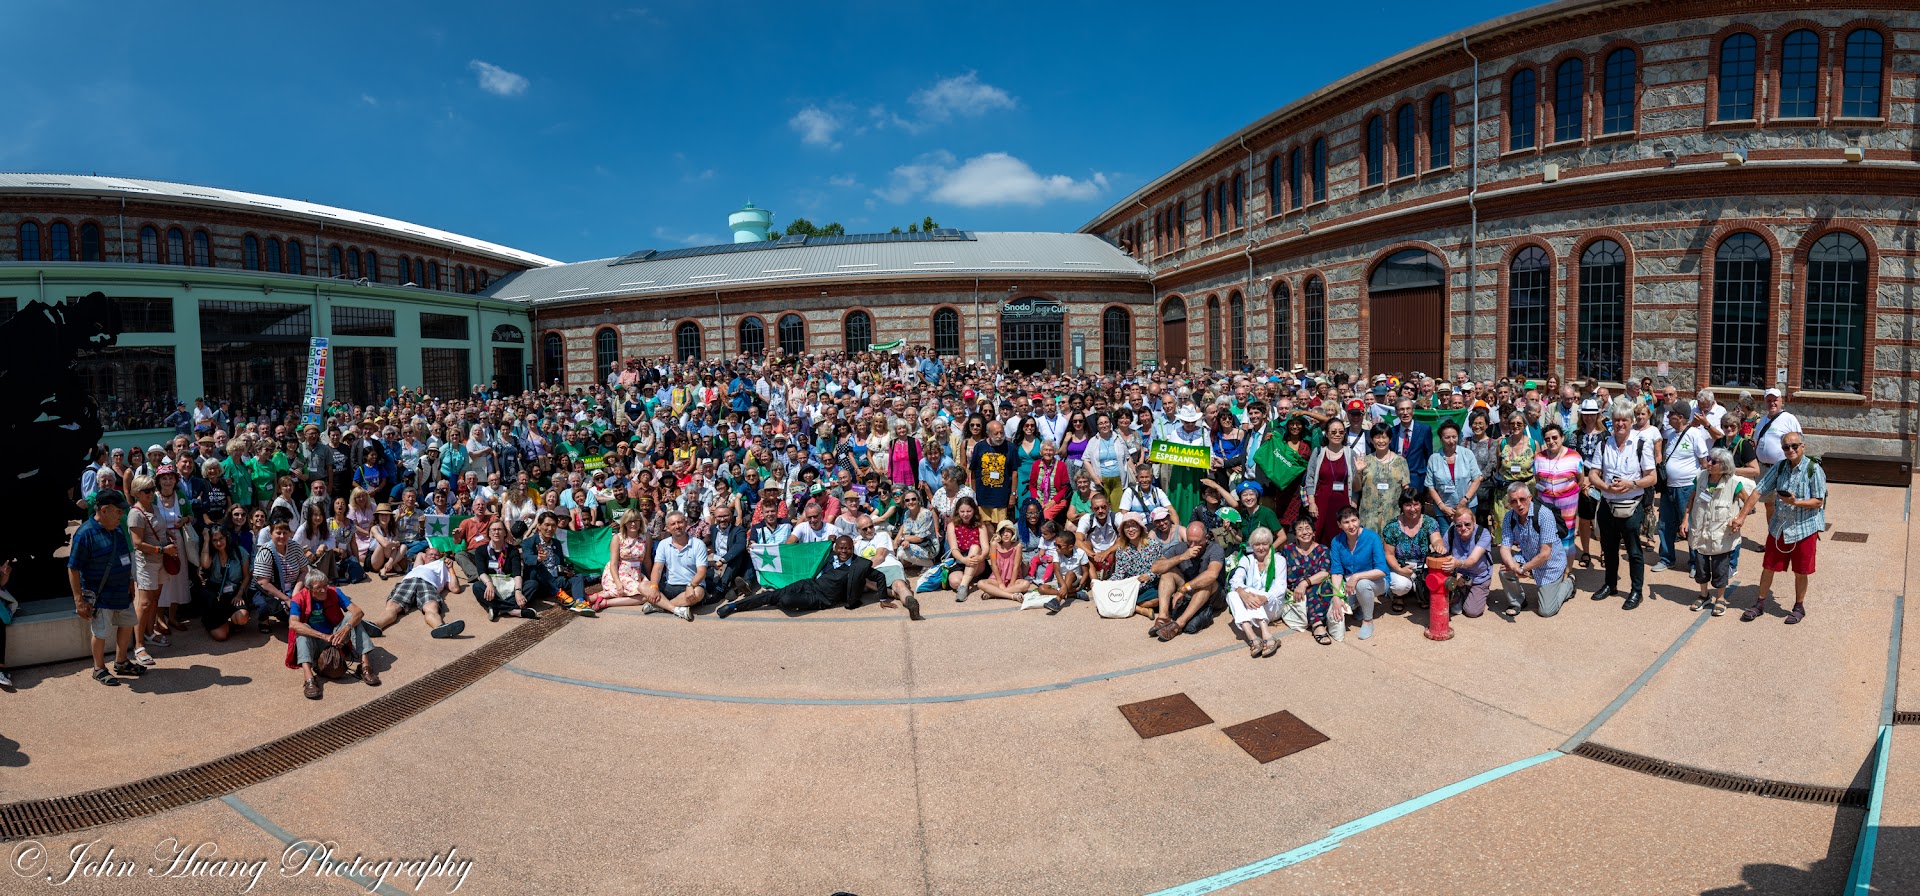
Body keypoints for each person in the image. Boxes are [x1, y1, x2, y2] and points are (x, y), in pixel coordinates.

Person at [1746, 434, 1825, 625]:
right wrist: (1742, 516)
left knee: (1801, 570)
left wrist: (1795, 502)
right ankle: (1760, 603)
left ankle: (1799, 606)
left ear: (1803, 446)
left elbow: (1818, 501)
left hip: (1804, 528)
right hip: (1779, 527)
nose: (1790, 450)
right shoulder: (1780, 467)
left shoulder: (1813, 470)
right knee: (1768, 567)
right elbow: (1759, 490)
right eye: (1786, 447)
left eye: (1794, 446)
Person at [69, 489, 144, 684]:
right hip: (99, 595)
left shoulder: (117, 529)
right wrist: (79, 599)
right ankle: (99, 668)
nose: (122, 515)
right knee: (101, 632)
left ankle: (121, 662)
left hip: (121, 591)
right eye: (118, 511)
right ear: (104, 510)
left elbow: (125, 557)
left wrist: (130, 581)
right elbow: (73, 568)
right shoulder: (84, 534)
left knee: (128, 624)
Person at [1587, 400, 1657, 610]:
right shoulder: (1604, 443)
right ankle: (1610, 584)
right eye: (1616, 420)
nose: (1620, 424)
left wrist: (1631, 483)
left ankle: (1637, 591)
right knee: (1608, 548)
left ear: (1631, 421)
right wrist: (1605, 487)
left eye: (1624, 420)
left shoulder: (1641, 443)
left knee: (1634, 551)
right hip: (1608, 504)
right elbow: (1593, 473)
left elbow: (1652, 477)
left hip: (1632, 505)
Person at [718, 535, 888, 617]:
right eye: (841, 548)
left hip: (822, 600)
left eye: (848, 548)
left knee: (786, 601)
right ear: (836, 548)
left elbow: (879, 577)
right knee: (772, 595)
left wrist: (883, 599)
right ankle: (735, 607)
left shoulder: (861, 565)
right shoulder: (830, 554)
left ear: (853, 548)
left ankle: (775, 599)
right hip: (810, 584)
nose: (844, 551)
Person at [286, 570, 380, 700]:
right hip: (315, 641)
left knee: (352, 619)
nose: (324, 590)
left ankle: (365, 666)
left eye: (325, 585)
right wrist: (323, 636)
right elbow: (293, 624)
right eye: (319, 588)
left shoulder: (334, 592)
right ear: (308, 589)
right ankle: (309, 679)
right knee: (302, 629)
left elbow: (358, 612)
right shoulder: (298, 599)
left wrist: (346, 628)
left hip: (336, 637)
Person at [1683, 448, 1752, 617]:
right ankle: (1704, 595)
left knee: (1720, 568)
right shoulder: (1700, 477)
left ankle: (1720, 598)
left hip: (1722, 534)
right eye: (1709, 459)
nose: (1709, 464)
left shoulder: (1734, 483)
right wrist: (1685, 519)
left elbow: (1749, 502)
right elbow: (1692, 498)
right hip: (1700, 531)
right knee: (1701, 567)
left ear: (1724, 466)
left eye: (1714, 461)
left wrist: (1739, 518)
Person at [1496, 484, 1570, 619]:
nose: (1519, 504)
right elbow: (1505, 547)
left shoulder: (1544, 515)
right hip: (1527, 556)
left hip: (1550, 564)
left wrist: (1522, 569)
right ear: (1509, 503)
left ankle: (1569, 584)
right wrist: (1514, 566)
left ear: (1530, 498)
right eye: (1514, 501)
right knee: (1504, 570)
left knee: (1547, 610)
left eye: (1522, 499)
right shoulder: (1509, 517)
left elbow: (1545, 554)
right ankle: (1517, 601)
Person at [361, 545, 466, 638]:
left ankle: (440, 627)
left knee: (432, 608)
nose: (433, 556)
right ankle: (376, 625)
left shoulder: (443, 567)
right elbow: (420, 554)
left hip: (428, 584)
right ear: (425, 556)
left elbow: (455, 588)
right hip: (409, 581)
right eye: (430, 554)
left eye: (437, 555)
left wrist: (451, 568)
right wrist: (432, 554)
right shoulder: (418, 566)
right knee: (393, 606)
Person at [1145, 521, 1225, 642]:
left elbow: (1212, 575)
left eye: (1197, 542)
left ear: (1206, 537)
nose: (1192, 545)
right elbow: (1156, 568)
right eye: (1189, 541)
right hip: (1190, 591)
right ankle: (1163, 617)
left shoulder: (1215, 549)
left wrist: (1184, 589)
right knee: (1167, 573)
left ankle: (1178, 624)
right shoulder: (1181, 548)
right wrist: (1182, 557)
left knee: (1207, 582)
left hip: (1214, 595)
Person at [1656, 401, 1712, 573]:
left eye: (1671, 414)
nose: (1667, 416)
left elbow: (1704, 463)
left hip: (1687, 488)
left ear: (1680, 417)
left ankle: (1695, 562)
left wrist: (1702, 489)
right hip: (1669, 487)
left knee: (1690, 526)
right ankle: (1666, 559)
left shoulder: (1694, 434)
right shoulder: (1671, 435)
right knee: (1665, 524)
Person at [1328, 505, 1390, 640]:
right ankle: (1360, 604)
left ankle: (1368, 621)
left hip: (1376, 581)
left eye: (1354, 520)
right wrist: (1336, 596)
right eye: (1346, 522)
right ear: (1339, 525)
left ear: (1359, 520)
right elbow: (1337, 571)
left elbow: (1382, 570)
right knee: (1335, 607)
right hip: (1349, 583)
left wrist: (1356, 576)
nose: (1351, 525)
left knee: (1362, 584)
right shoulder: (1336, 541)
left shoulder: (1372, 537)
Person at [1226, 526, 1288, 657]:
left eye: (1264, 544)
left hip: (1272, 605)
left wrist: (1263, 597)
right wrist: (1244, 594)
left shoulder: (1278, 560)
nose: (1261, 548)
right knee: (1232, 594)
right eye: (1257, 544)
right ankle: (1253, 637)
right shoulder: (1247, 559)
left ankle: (1266, 634)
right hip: (1252, 604)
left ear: (1270, 544)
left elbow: (1280, 587)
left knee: (1247, 591)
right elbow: (1235, 580)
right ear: (1252, 546)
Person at [1381, 489, 1444, 616]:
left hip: (1423, 567)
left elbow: (1436, 539)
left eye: (1416, 504)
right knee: (1400, 586)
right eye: (1408, 504)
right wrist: (1399, 570)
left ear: (1421, 504)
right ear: (1401, 506)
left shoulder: (1429, 522)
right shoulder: (1392, 526)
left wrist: (1438, 545)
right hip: (1400, 566)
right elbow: (1388, 554)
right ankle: (1398, 595)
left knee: (1432, 584)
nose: (1412, 508)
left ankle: (1418, 591)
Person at [520, 511, 597, 616]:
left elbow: (560, 563)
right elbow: (527, 559)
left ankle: (580, 602)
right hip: (539, 582)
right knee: (538, 565)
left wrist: (567, 571)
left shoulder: (556, 543)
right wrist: (538, 558)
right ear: (539, 525)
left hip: (555, 579)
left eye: (553, 526)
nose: (550, 529)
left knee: (577, 577)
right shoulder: (529, 542)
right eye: (547, 525)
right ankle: (558, 593)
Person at [1280, 517, 1342, 644]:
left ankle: (1316, 623)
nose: (1304, 532)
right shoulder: (1288, 550)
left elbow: (1324, 572)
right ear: (1295, 534)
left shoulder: (1322, 550)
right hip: (1294, 589)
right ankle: (1318, 624)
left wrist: (1305, 583)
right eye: (1300, 529)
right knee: (1312, 588)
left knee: (1319, 586)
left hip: (1316, 585)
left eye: (1308, 528)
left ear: (1314, 532)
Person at [1303, 417, 1361, 545]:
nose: (1337, 435)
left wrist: (1354, 502)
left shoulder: (1351, 454)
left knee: (1342, 536)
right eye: (1333, 432)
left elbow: (1355, 482)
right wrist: (1311, 502)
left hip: (1343, 502)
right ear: (1327, 433)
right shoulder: (1318, 452)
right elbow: (1310, 478)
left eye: (1341, 432)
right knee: (1319, 534)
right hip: (1321, 502)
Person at [468, 519, 539, 622]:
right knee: (477, 587)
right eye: (493, 530)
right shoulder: (481, 550)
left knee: (532, 585)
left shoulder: (512, 550)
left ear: (505, 532)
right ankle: (514, 611)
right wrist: (489, 584)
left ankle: (497, 609)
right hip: (492, 586)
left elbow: (517, 573)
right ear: (489, 532)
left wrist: (518, 591)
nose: (496, 532)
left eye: (499, 529)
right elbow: (481, 572)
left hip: (510, 585)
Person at [194, 524, 253, 642]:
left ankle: (230, 620)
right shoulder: (211, 553)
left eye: (221, 538)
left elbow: (247, 576)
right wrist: (206, 540)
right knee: (221, 636)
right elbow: (205, 565)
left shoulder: (239, 551)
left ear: (226, 537)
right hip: (216, 595)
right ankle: (215, 621)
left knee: (242, 618)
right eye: (214, 540)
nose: (219, 543)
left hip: (234, 590)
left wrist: (239, 594)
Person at [252, 517, 308, 632]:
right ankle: (264, 619)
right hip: (269, 590)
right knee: (266, 607)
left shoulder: (295, 547)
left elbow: (304, 570)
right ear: (271, 534)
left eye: (285, 533)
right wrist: (287, 599)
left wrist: (296, 593)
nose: (282, 536)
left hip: (292, 588)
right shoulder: (265, 552)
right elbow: (263, 583)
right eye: (278, 533)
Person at [649, 511, 709, 619]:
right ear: (667, 528)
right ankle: (675, 609)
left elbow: (702, 572)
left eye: (680, 522)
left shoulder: (698, 544)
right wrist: (654, 587)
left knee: (698, 593)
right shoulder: (663, 544)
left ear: (686, 523)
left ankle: (660, 605)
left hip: (691, 586)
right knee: (643, 586)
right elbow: (657, 568)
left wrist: (691, 585)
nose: (677, 526)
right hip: (670, 585)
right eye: (673, 524)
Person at [969, 420, 1016, 524]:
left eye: (1002, 433)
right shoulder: (979, 447)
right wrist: (973, 492)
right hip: (983, 496)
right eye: (996, 433)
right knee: (984, 524)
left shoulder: (1010, 448)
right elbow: (972, 471)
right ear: (988, 434)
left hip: (1001, 496)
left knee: (1000, 525)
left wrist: (1012, 494)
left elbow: (1014, 472)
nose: (999, 436)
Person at [974, 520, 1034, 602]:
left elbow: (1016, 566)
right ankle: (1011, 595)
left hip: (1013, 578)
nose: (1005, 534)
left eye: (1008, 531)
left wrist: (1012, 584)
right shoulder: (994, 544)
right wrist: (1000, 583)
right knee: (980, 583)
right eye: (1003, 532)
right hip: (997, 578)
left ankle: (993, 593)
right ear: (999, 533)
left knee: (1026, 584)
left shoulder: (1017, 546)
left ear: (1013, 533)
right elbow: (994, 564)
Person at [704, 504, 750, 602]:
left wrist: (723, 560)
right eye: (719, 517)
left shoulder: (739, 530)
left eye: (725, 516)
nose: (723, 519)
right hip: (717, 563)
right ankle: (729, 590)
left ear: (731, 516)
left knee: (737, 556)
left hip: (732, 563)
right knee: (701, 575)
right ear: (715, 517)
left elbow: (740, 546)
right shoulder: (713, 529)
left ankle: (719, 590)